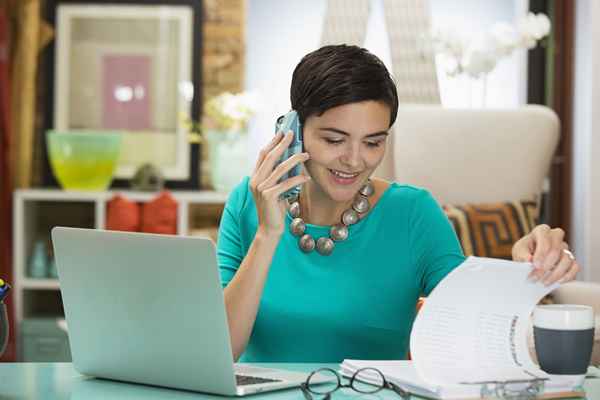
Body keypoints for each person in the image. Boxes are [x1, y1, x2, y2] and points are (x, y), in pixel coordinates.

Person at [217, 44, 580, 363]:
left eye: (373, 142)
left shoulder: (413, 213)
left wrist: (521, 268)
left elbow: (473, 325)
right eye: (334, 139)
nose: (354, 160)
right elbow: (220, 351)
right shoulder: (247, 203)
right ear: (292, 131)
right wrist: (267, 234)